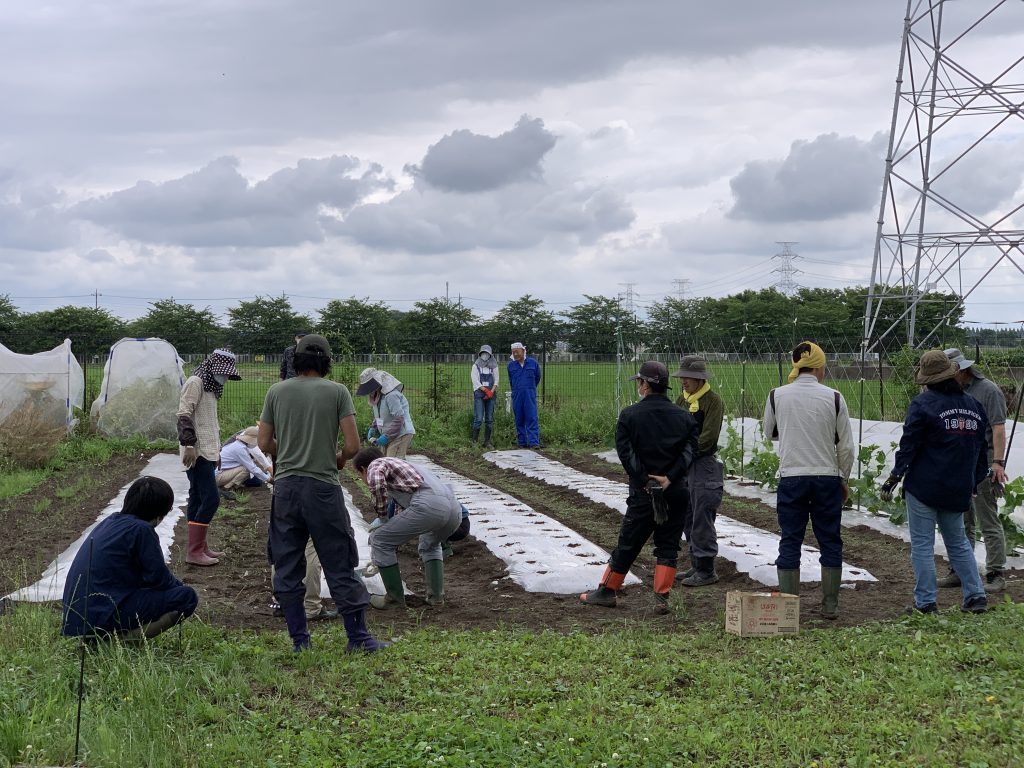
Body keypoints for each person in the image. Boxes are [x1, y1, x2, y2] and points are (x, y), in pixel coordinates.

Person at [258, 334, 386, 652]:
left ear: (296, 361)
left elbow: (262, 444)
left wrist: (285, 450)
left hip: (286, 489)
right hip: (322, 489)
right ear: (325, 362)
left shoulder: (277, 392)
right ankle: (358, 638)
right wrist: (338, 458)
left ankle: (300, 641)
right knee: (339, 560)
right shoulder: (337, 392)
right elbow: (354, 446)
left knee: (287, 563)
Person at [580, 361, 698, 612]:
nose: (638, 385)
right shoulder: (684, 417)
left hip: (644, 493)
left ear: (645, 384)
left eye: (639, 381)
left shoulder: (629, 415)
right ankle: (661, 598)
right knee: (668, 543)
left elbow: (626, 453)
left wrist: (646, 479)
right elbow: (690, 452)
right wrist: (670, 477)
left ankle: (607, 591)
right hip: (675, 490)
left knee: (629, 541)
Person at [879, 350, 989, 614]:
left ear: (927, 379)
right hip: (958, 486)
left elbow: (910, 445)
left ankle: (926, 602)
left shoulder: (923, 404)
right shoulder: (974, 407)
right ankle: (976, 596)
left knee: (922, 544)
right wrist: (973, 482)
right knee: (959, 542)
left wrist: (894, 477)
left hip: (924, 486)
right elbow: (980, 451)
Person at [762, 341, 855, 620]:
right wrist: (844, 478)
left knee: (790, 539)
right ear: (818, 367)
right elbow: (846, 447)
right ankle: (830, 605)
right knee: (830, 539)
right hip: (826, 477)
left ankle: (790, 606)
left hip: (792, 477)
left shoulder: (776, 395)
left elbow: (770, 433)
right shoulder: (835, 397)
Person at [62, 476, 198, 639]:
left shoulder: (110, 521)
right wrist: (178, 586)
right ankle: (121, 640)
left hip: (77, 617)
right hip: (103, 615)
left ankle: (104, 636)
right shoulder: (142, 530)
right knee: (186, 597)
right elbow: (159, 579)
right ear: (159, 512)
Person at [354, 447, 462, 610]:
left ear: (363, 469)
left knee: (380, 540)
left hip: (428, 504)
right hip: (454, 509)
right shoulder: (407, 467)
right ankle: (437, 598)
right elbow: (404, 508)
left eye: (359, 475)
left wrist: (382, 516)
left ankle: (394, 600)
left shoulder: (376, 464)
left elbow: (376, 484)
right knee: (430, 545)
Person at [938, 348, 1009, 593]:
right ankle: (960, 569)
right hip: (960, 463)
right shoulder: (951, 391)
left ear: (963, 370)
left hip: (985, 462)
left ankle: (996, 572)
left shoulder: (988, 390)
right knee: (961, 519)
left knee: (987, 517)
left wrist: (998, 463)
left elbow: (998, 429)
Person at [177, 348, 241, 567]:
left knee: (197, 496)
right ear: (213, 366)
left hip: (208, 450)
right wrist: (188, 445)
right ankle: (194, 550)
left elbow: (210, 422)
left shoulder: (211, 387)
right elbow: (184, 414)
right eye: (223, 372)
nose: (225, 377)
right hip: (197, 451)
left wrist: (218, 451)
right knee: (211, 499)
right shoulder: (196, 382)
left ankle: (199, 547)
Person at [671, 356, 725, 587]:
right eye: (682, 376)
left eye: (688, 377)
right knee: (687, 514)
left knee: (702, 514)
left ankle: (706, 569)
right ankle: (695, 563)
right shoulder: (682, 401)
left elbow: (708, 438)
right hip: (685, 464)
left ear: (699, 379)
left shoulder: (712, 402)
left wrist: (684, 452)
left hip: (702, 464)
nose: (684, 380)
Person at [356, 368, 416, 458]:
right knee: (384, 460)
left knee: (392, 462)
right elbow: (380, 415)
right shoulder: (377, 396)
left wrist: (387, 436)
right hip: (389, 434)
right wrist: (373, 427)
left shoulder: (392, 396)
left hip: (401, 434)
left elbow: (399, 418)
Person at [508, 342, 542, 448]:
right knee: (519, 418)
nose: (516, 354)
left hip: (529, 395)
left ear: (523, 351)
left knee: (531, 417)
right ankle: (522, 442)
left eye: (517, 352)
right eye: (513, 353)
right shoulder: (510, 366)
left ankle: (534, 442)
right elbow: (511, 381)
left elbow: (537, 377)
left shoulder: (533, 363)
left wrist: (530, 388)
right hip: (517, 395)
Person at [217, 426, 272, 491]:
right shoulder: (240, 449)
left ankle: (228, 486)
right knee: (246, 469)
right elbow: (252, 468)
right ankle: (227, 488)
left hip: (219, 473)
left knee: (251, 473)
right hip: (217, 476)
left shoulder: (238, 445)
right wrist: (269, 480)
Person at [471, 344, 499, 448]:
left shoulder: (494, 366)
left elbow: (496, 379)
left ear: (490, 354)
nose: (485, 355)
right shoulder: (476, 366)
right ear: (480, 354)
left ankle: (486, 442)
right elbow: (475, 381)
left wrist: (491, 391)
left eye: (487, 353)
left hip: (491, 394)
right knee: (478, 418)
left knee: (489, 418)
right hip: (480, 393)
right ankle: (474, 441)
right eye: (483, 353)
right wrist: (485, 390)